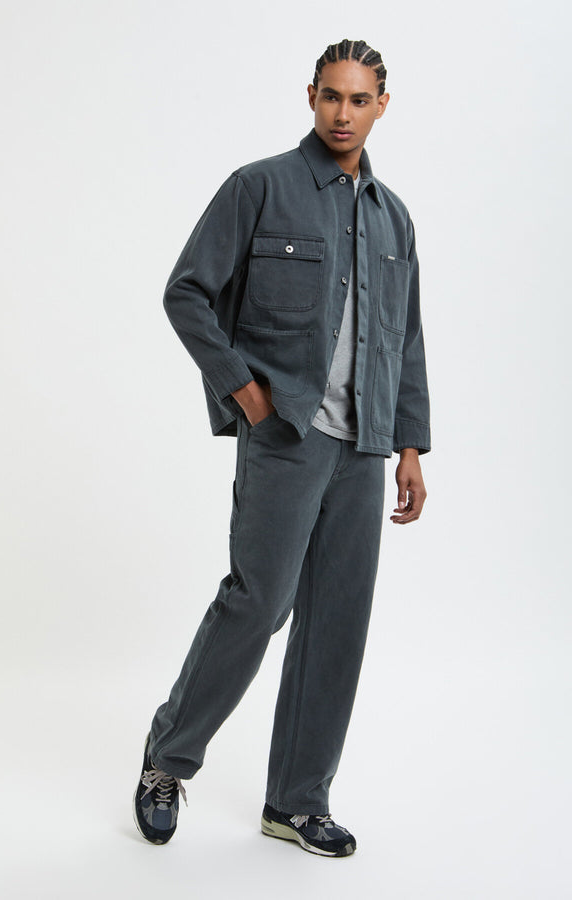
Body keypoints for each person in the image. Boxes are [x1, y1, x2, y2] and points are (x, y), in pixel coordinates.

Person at [133, 38, 431, 858]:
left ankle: (296, 803)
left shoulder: (394, 217)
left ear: (382, 106)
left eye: (359, 99)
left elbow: (405, 339)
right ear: (310, 97)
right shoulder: (259, 186)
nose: (343, 113)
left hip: (364, 449)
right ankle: (167, 758)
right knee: (259, 604)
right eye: (331, 96)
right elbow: (187, 292)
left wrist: (409, 445)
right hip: (287, 437)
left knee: (337, 622)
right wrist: (245, 392)